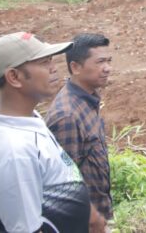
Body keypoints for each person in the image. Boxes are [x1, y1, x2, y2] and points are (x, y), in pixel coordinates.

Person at [0, 32, 90, 233]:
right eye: (45, 62)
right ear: (14, 77)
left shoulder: (25, 118)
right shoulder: (12, 152)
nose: (54, 68)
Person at [45, 33, 113, 233]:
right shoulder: (67, 116)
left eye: (109, 61)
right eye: (100, 62)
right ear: (75, 67)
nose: (108, 68)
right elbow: (64, 185)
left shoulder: (87, 100)